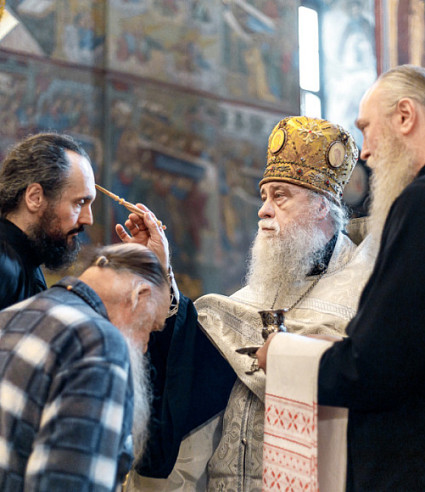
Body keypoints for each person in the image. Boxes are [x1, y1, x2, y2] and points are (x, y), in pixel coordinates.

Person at [117, 116, 376, 491]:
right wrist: (161, 272)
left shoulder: (366, 294)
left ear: (321, 206)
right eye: (264, 196)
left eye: (280, 196)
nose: (263, 210)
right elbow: (186, 385)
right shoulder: (247, 300)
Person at [258, 64, 425, 491]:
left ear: (405, 116)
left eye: (366, 128)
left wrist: (283, 355)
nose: (365, 153)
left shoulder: (417, 204)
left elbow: (374, 369)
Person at [0, 242, 170, 492]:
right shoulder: (99, 343)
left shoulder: (11, 315)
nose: (145, 346)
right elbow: (71, 483)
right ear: (139, 297)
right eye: (151, 327)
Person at [0, 132, 96, 310]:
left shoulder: (25, 260)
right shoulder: (4, 266)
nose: (88, 219)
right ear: (34, 198)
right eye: (79, 203)